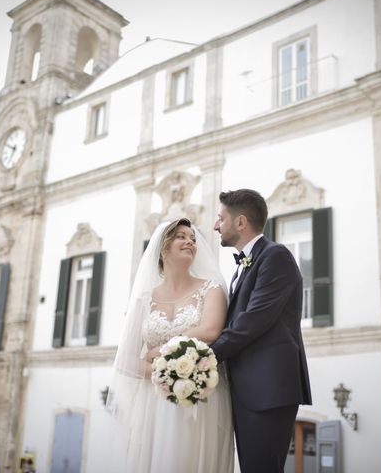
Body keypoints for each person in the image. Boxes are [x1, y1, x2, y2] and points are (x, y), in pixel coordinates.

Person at [108, 218, 234, 472]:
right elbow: (126, 360)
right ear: (162, 247)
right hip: (154, 402)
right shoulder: (144, 300)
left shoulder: (212, 290)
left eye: (193, 238)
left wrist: (159, 352)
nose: (190, 241)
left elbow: (210, 330)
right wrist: (164, 373)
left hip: (200, 399)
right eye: (181, 236)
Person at [211, 189, 312, 473]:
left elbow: (253, 320)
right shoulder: (244, 265)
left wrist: (206, 355)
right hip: (248, 389)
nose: (216, 225)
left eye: (221, 218)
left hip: (268, 389)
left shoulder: (275, 256)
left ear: (240, 222)